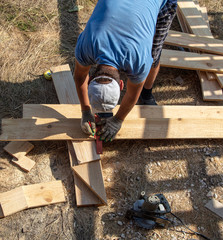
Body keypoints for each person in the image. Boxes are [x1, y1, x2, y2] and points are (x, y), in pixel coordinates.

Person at [74, 0, 177, 142]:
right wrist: (85, 111)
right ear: (122, 85)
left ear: (122, 85)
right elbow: (79, 77)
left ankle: (146, 95)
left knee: (154, 56)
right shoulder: (86, 46)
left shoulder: (140, 60)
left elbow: (134, 92)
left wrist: (118, 120)